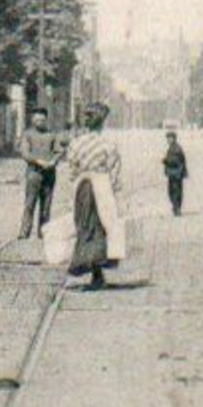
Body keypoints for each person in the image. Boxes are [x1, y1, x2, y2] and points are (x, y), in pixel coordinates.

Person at [65, 103, 124, 290]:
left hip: (83, 187)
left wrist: (77, 183)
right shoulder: (108, 144)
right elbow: (114, 168)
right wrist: (112, 187)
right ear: (102, 123)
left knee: (85, 225)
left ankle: (92, 270)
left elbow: (72, 169)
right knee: (103, 224)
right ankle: (98, 271)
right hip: (102, 186)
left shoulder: (76, 143)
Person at [17, 107, 63, 239]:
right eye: (37, 119)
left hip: (49, 173)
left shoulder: (52, 134)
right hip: (34, 173)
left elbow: (59, 151)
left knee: (46, 204)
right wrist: (38, 161)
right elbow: (25, 153)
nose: (40, 122)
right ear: (32, 120)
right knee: (30, 203)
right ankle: (24, 231)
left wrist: (54, 161)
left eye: (42, 119)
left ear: (46, 120)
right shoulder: (27, 134)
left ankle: (43, 232)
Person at [163, 129, 189, 216]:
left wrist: (166, 161)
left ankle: (177, 208)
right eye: (167, 138)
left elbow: (176, 161)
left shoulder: (176, 148)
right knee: (172, 192)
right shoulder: (172, 148)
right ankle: (176, 208)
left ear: (174, 138)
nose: (168, 140)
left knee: (175, 192)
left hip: (176, 174)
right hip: (173, 174)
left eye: (169, 138)